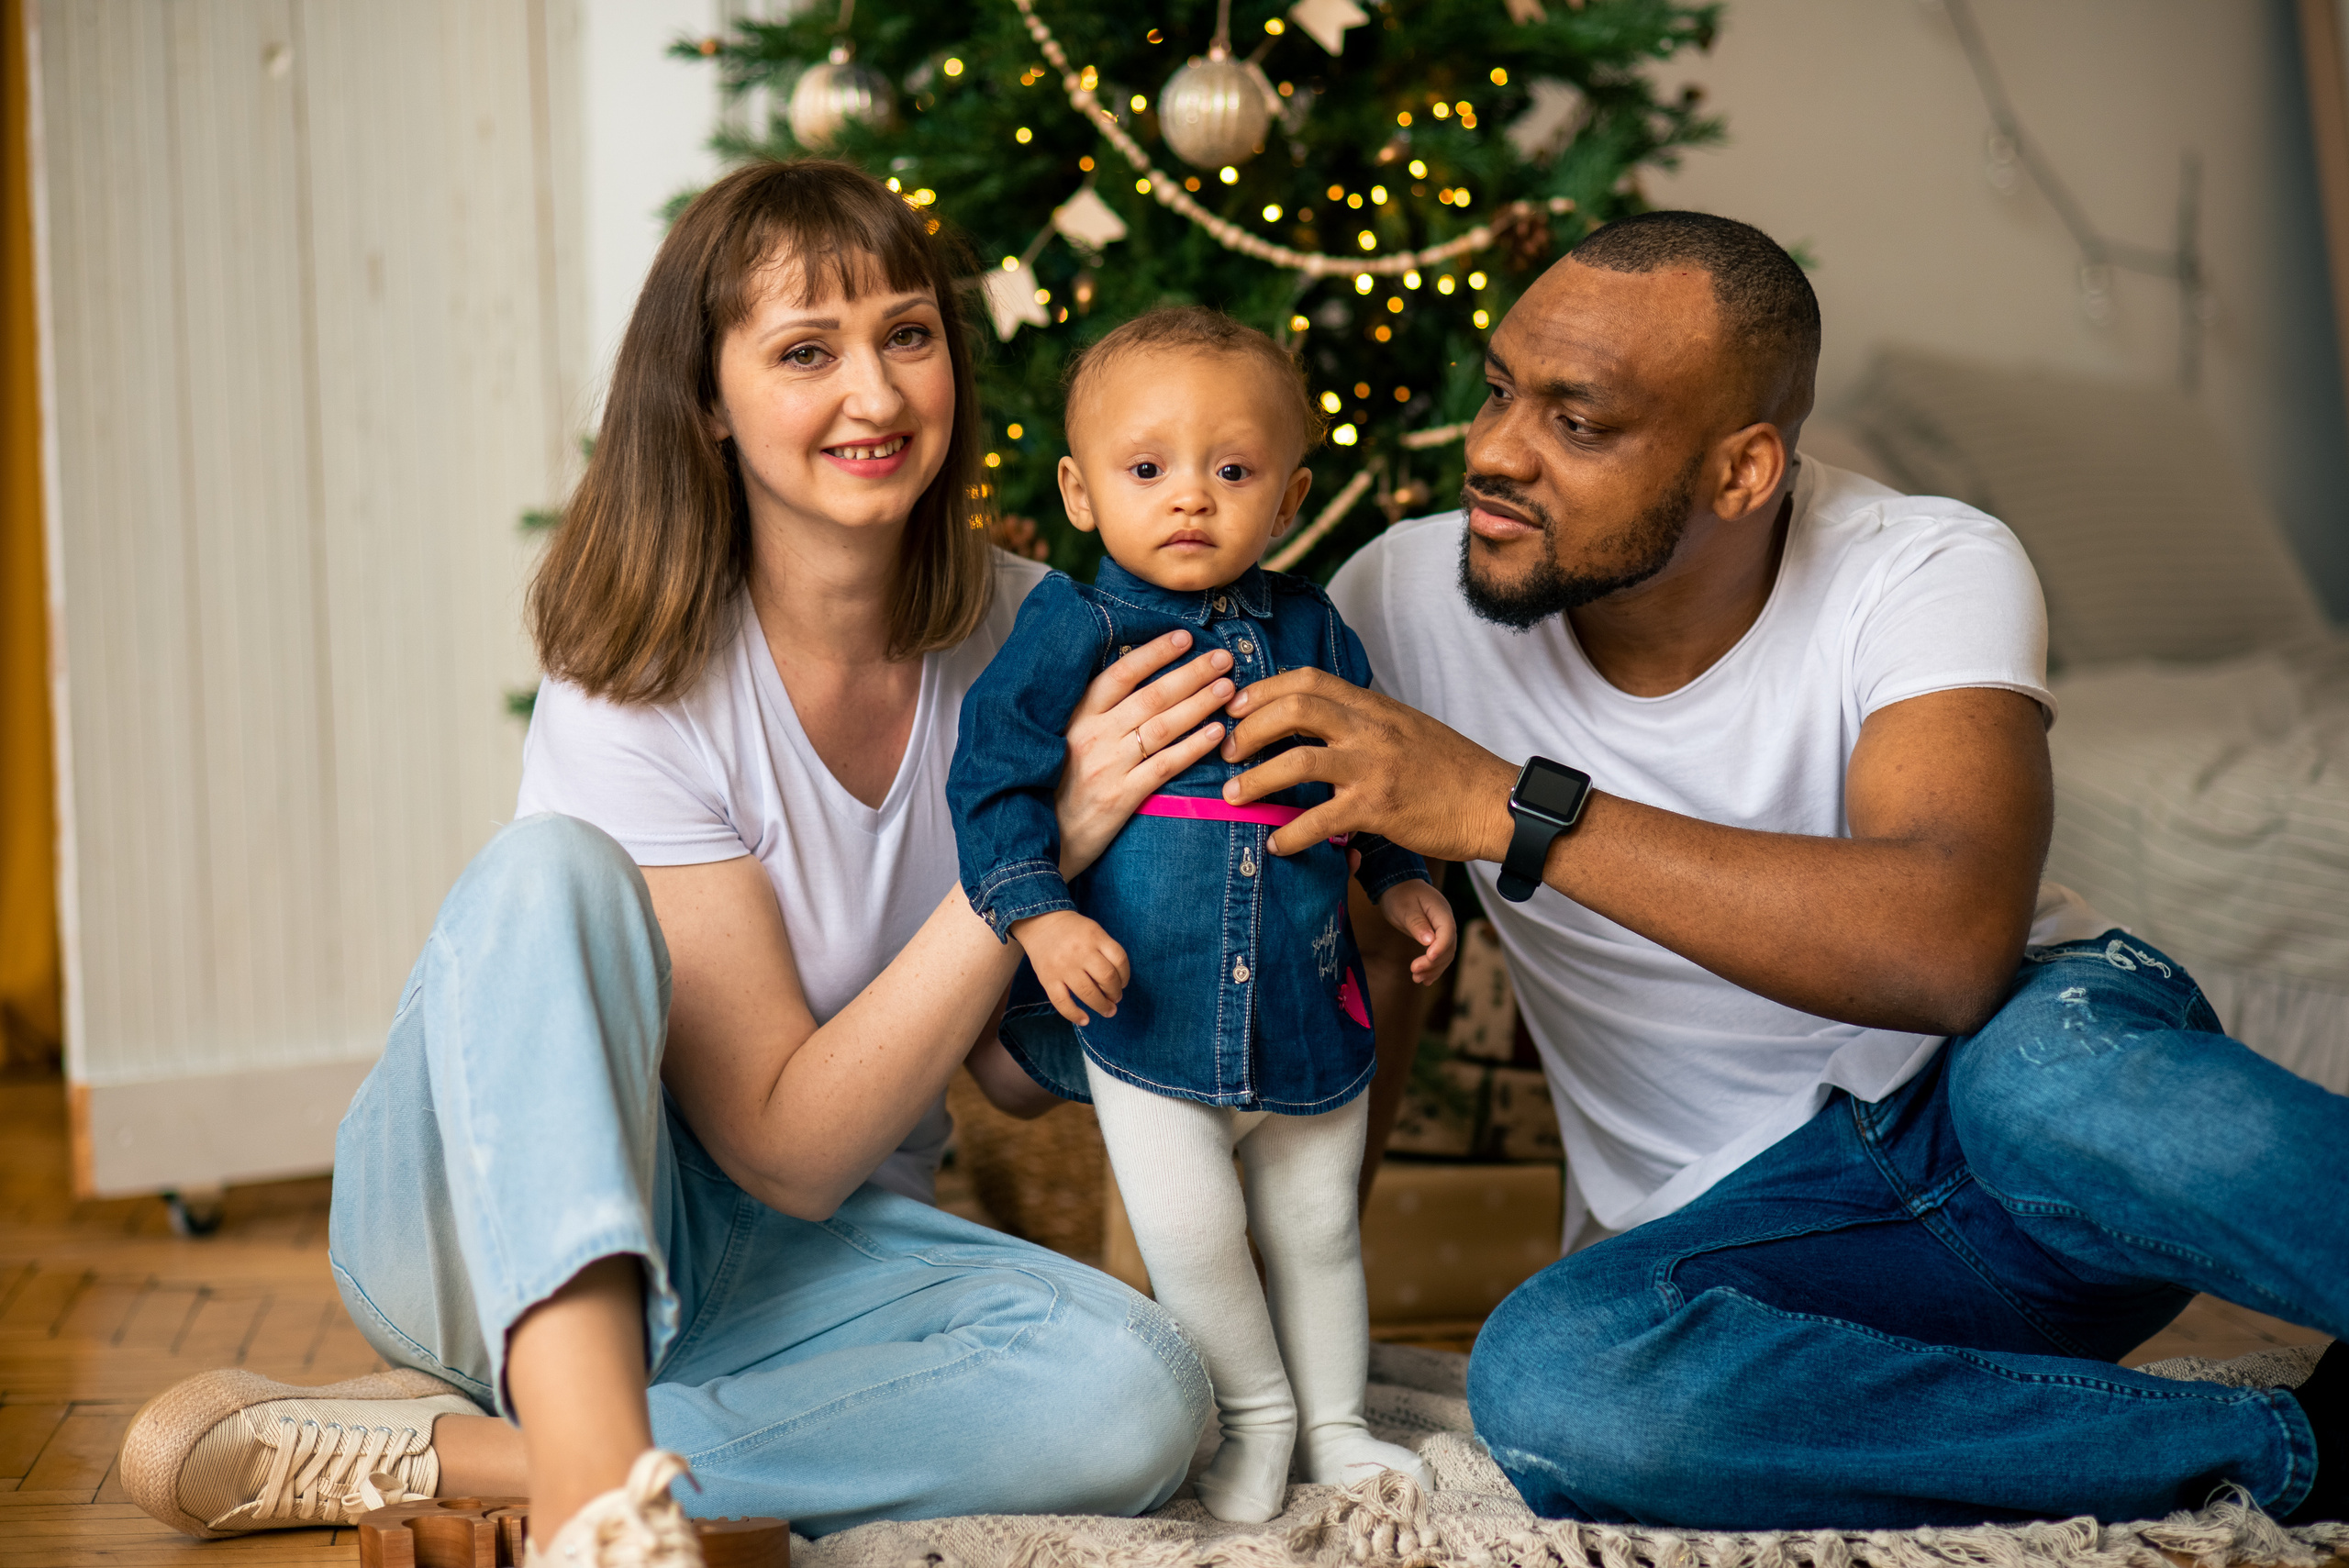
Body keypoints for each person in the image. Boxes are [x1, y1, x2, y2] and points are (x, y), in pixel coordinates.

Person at [117, 160, 1229, 1565]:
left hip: (803, 1270)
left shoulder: (1042, 637)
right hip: (499, 1222)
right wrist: (1035, 852)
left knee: (1142, 1394)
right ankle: (598, 1510)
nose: (877, 396)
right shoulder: (637, 684)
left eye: (907, 333)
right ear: (709, 398)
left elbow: (1011, 1074)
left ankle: (456, 1451)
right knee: (549, 876)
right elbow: (784, 1145)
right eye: (806, 352)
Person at [1216, 210, 2348, 1529]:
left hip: (2012, 1093)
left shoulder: (1924, 564)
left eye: (1577, 422)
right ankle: (2288, 1442)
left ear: (1742, 469)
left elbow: (1950, 949)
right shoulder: (1398, 601)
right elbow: (1365, 964)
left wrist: (1503, 805)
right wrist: (1302, 1318)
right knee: (1560, 1381)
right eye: (1500, 390)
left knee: (2055, 1089)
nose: (1493, 451)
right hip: (1768, 1244)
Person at [946, 307, 1456, 1523]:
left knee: (1320, 1226)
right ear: (1078, 489)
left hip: (1302, 998)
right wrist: (1039, 918)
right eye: (1146, 468)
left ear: (1287, 497)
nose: (1190, 497)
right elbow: (995, 781)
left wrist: (1398, 874)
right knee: (1191, 1230)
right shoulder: (1073, 628)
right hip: (1149, 1007)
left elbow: (1366, 774)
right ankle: (1258, 1410)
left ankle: (1334, 1421)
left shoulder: (1315, 627)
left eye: (1231, 471)